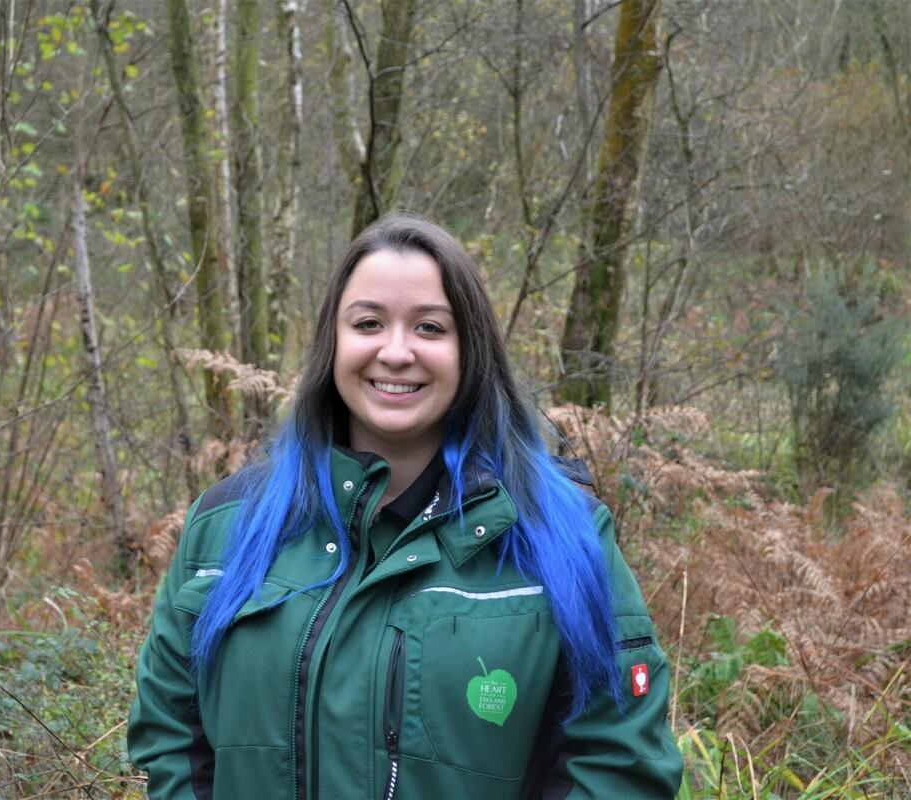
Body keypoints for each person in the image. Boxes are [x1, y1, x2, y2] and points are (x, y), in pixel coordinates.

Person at [128, 216, 684, 799]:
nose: (396, 352)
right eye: (369, 323)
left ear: (469, 349)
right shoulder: (226, 528)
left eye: (429, 327)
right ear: (332, 342)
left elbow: (619, 766)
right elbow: (171, 737)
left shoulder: (562, 537)